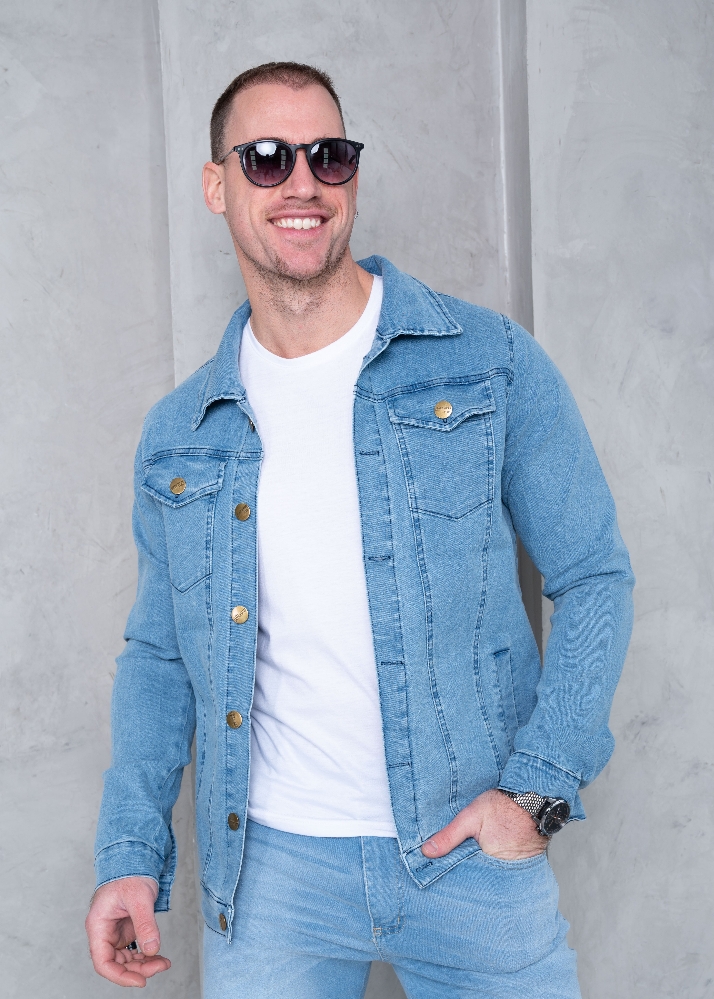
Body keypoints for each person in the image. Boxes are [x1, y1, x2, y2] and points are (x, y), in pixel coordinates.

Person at [85, 61, 634, 997]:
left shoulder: (486, 362)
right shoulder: (183, 431)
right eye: (266, 158)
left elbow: (592, 574)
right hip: (272, 875)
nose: (301, 182)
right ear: (216, 185)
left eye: (327, 156)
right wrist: (131, 853)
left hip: (469, 857)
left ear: (351, 176)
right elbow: (159, 656)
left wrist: (536, 792)